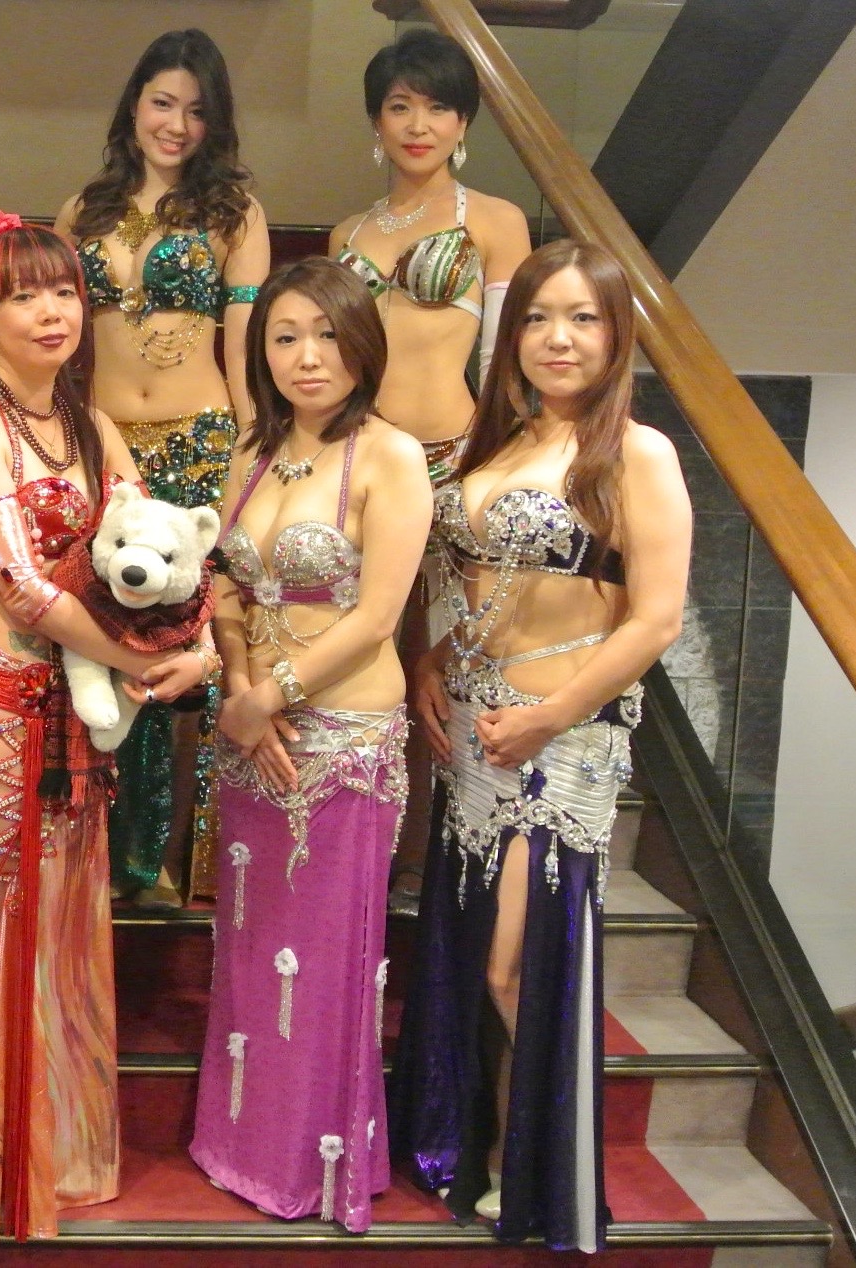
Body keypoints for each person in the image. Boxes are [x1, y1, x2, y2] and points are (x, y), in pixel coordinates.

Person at [391, 239, 691, 1252]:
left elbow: (655, 620)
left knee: (515, 963)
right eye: (537, 317)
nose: (559, 339)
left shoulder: (637, 454)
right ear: (510, 332)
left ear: (617, 335)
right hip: (473, 733)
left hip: (557, 745)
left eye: (583, 318)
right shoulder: (499, 447)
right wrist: (433, 658)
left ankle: (540, 1168)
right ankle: (470, 1144)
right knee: (465, 947)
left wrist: (550, 715)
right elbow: (477, 584)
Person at [0, 218, 212, 1243]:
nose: (50, 313)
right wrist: (139, 663)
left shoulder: (90, 428)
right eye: (21, 296)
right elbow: (27, 592)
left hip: (85, 717)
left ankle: (65, 1153)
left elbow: (162, 550)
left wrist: (200, 644)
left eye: (64, 293)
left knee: (67, 921)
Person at [190, 258, 430, 1228]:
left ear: (361, 341)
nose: (307, 356)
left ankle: (310, 1164)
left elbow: (377, 617)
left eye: (326, 334)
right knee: (253, 955)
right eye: (285, 337)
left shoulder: (391, 456)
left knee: (323, 964)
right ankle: (240, 1142)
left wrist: (271, 697)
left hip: (344, 742)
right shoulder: (252, 449)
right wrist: (241, 688)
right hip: (253, 735)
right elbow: (225, 583)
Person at [56, 28, 269, 907]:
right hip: (107, 449)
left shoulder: (234, 214)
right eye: (162, 102)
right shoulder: (84, 210)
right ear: (133, 105)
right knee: (98, 641)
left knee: (185, 646)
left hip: (198, 444)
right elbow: (60, 347)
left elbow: (247, 355)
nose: (176, 124)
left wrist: (248, 459)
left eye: (196, 110)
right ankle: (94, 847)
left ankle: (166, 858)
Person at [330, 30, 533, 900]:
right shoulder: (348, 232)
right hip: (360, 464)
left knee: (439, 655)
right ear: (376, 121)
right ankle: (354, 836)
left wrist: (501, 464)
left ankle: (426, 855)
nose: (419, 125)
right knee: (358, 648)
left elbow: (507, 361)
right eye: (400, 106)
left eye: (439, 107)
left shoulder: (494, 221)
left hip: (454, 462)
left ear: (464, 122)